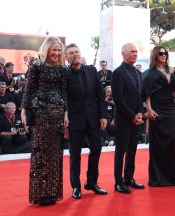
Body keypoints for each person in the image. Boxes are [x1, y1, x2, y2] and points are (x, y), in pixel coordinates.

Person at [21, 36, 68, 205]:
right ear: (46, 49)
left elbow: (64, 93)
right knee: (40, 152)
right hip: (41, 113)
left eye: (58, 50)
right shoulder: (36, 66)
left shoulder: (62, 69)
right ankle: (40, 194)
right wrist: (24, 111)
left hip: (57, 115)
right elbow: (28, 90)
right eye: (53, 49)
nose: (56, 53)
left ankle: (52, 193)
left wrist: (66, 113)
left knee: (55, 154)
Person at [65, 43, 108, 199]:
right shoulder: (64, 74)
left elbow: (100, 95)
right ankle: (75, 186)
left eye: (76, 51)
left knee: (96, 148)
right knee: (75, 154)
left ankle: (91, 182)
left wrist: (103, 116)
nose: (75, 54)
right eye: (71, 53)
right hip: (74, 120)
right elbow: (62, 99)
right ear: (66, 57)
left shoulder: (91, 71)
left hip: (93, 118)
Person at [143, 45, 175, 187]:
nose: (164, 55)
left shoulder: (172, 71)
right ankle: (157, 178)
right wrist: (149, 110)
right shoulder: (150, 73)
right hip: (157, 108)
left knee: (170, 143)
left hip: (170, 109)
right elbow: (147, 93)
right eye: (161, 53)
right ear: (155, 55)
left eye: (165, 53)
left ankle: (170, 178)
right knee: (157, 144)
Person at [112, 43, 145, 194]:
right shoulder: (118, 72)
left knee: (132, 150)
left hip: (135, 119)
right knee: (121, 151)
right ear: (123, 53)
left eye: (136, 51)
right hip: (124, 119)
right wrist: (132, 116)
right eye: (132, 51)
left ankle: (128, 178)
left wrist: (139, 114)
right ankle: (118, 182)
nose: (135, 54)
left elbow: (140, 97)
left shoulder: (138, 73)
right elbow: (118, 98)